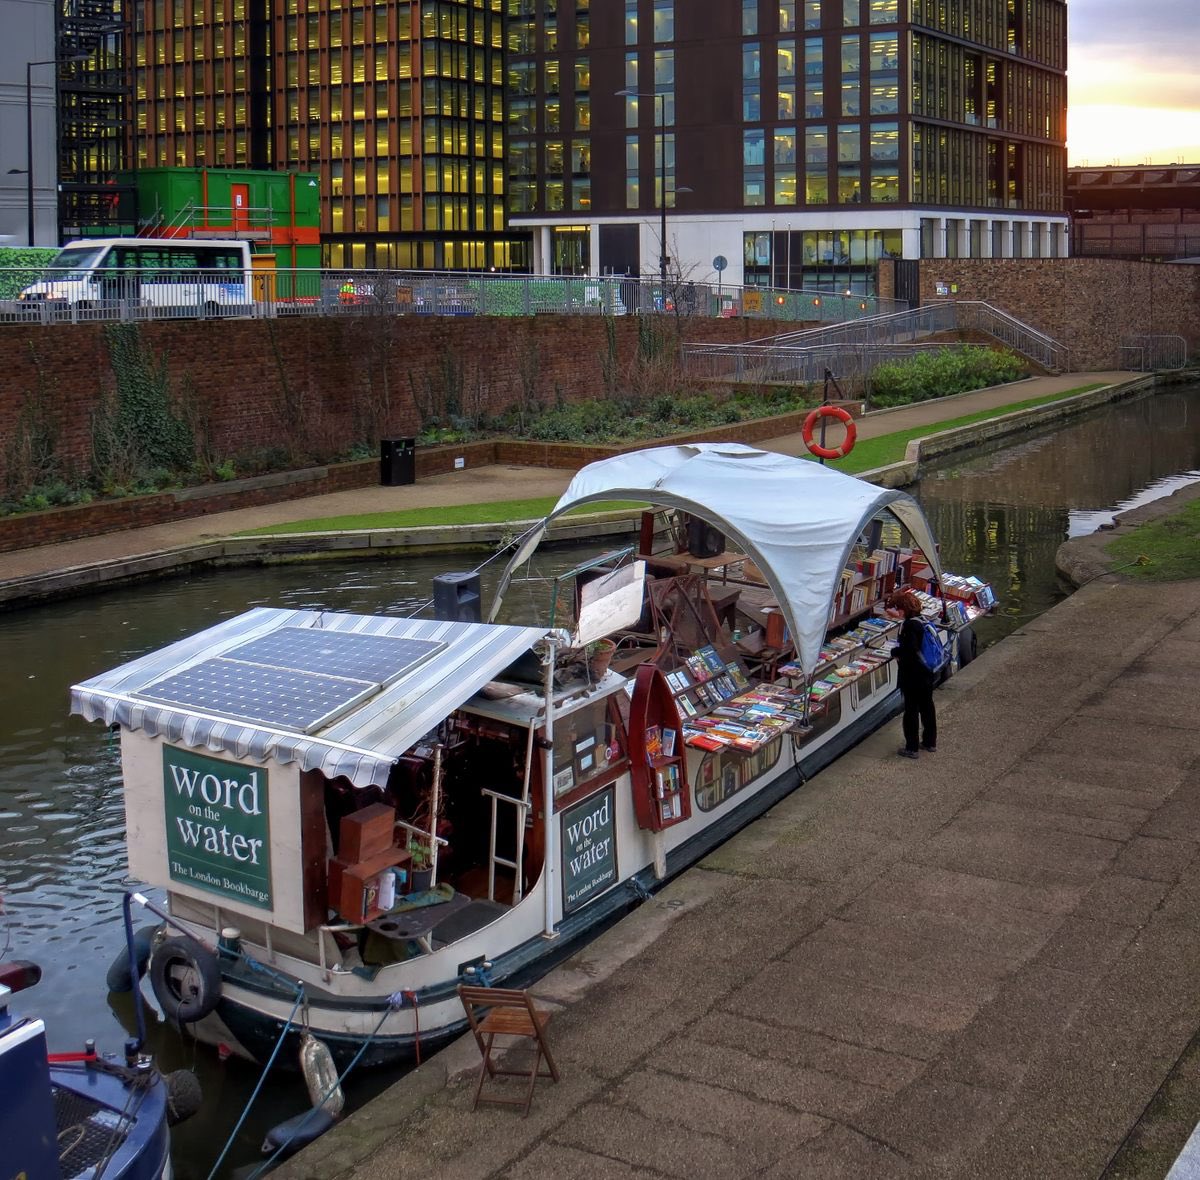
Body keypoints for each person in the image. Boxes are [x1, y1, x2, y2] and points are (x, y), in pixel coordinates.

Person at [886, 588, 937, 759]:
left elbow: (910, 649)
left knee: (911, 710)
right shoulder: (922, 620)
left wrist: (895, 652)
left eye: (898, 608)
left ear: (903, 608)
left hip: (913, 675)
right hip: (927, 672)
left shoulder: (909, 625)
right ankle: (930, 742)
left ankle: (912, 747)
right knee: (927, 707)